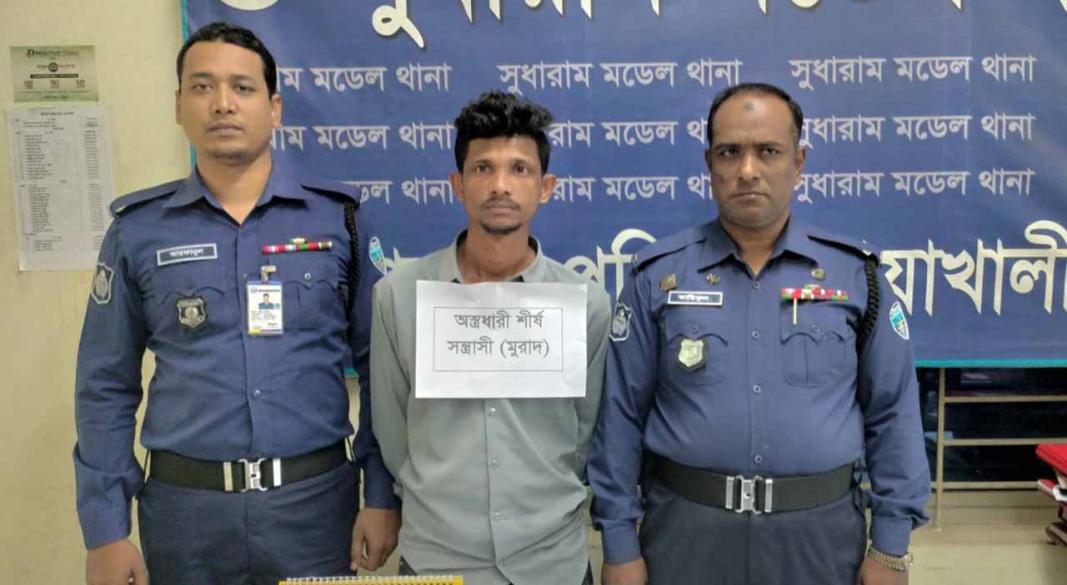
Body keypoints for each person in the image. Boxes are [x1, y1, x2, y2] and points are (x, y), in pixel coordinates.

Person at [73, 22, 399, 585]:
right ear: (178, 105)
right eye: (202, 87)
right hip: (186, 516)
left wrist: (381, 493)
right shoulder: (138, 230)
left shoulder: (339, 221)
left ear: (275, 108)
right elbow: (104, 383)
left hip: (314, 511)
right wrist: (105, 528)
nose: (222, 103)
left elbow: (381, 367)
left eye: (242, 88)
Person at [588, 82, 930, 585]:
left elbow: (893, 411)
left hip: (820, 542)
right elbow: (620, 417)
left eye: (768, 151)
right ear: (709, 163)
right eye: (730, 152)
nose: (747, 170)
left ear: (799, 161)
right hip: (686, 537)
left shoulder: (858, 278)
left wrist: (891, 547)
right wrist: (619, 544)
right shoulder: (655, 279)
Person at [369, 91, 610, 585]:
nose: (500, 185)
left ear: (546, 187)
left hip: (551, 562)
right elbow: (393, 432)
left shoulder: (586, 304)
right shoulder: (398, 296)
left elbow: (584, 435)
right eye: (483, 168)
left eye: (520, 169)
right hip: (437, 560)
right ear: (458, 185)